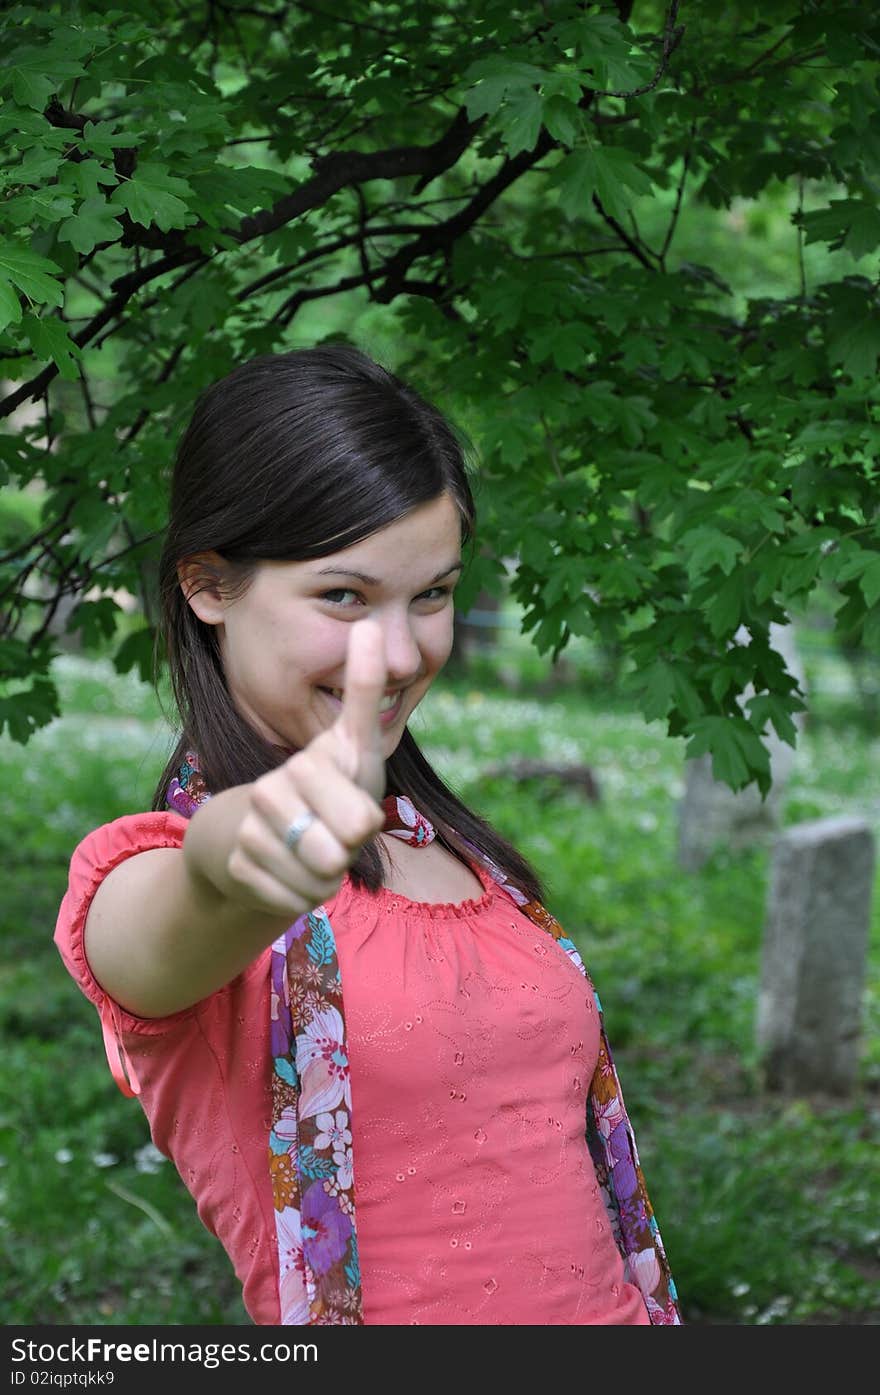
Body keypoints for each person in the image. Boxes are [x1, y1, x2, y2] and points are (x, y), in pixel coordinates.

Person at [55, 345, 681, 1327]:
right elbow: (190, 902)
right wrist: (245, 855)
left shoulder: (461, 859)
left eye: (429, 594)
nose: (398, 655)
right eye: (344, 597)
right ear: (209, 586)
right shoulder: (159, 877)